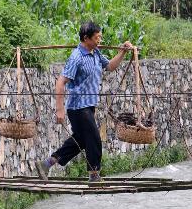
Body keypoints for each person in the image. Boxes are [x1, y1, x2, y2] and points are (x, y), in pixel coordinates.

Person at [36, 22, 133, 182]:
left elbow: (109, 66)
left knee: (80, 140)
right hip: (78, 106)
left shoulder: (95, 53)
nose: (99, 40)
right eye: (96, 38)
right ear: (86, 38)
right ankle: (94, 176)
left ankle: (47, 163)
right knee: (94, 138)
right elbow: (60, 82)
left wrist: (122, 52)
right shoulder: (76, 57)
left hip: (89, 105)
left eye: (100, 37)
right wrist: (59, 110)